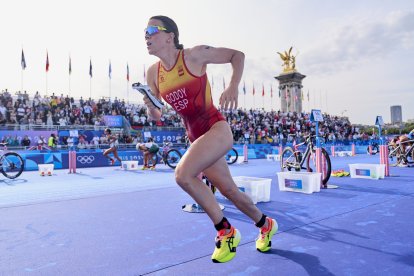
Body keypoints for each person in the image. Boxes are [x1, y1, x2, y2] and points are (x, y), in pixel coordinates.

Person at [141, 15, 277, 263]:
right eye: (144, 32)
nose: (146, 36)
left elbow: (238, 55)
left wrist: (233, 85)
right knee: (230, 191)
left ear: (170, 36)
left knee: (183, 175)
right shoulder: (154, 73)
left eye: (152, 30)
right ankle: (266, 224)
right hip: (195, 136)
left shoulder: (194, 55)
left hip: (216, 128)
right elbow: (158, 115)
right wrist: (150, 104)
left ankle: (225, 231)